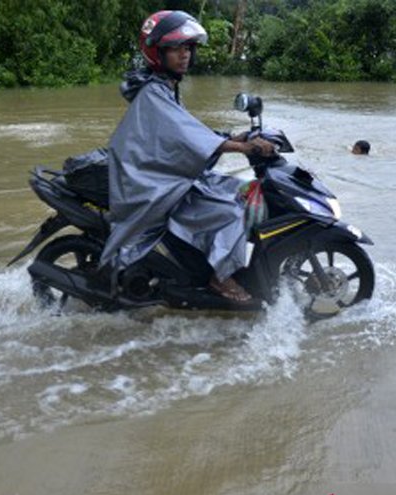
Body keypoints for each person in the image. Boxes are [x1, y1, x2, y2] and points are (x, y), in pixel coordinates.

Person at [100, 10, 274, 302]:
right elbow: (189, 138)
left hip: (161, 176)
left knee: (237, 189)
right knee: (232, 209)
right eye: (175, 49)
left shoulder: (163, 88)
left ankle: (212, 260)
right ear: (157, 53)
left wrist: (234, 138)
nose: (184, 55)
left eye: (187, 48)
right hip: (151, 186)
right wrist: (243, 147)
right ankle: (220, 278)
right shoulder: (154, 93)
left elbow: (187, 132)